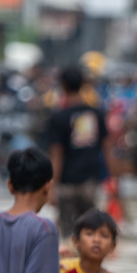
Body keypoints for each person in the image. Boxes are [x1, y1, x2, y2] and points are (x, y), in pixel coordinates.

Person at [47, 65, 109, 239]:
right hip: (91, 181)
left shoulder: (58, 117)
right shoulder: (96, 114)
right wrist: (112, 179)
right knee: (91, 231)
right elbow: (107, 148)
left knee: (68, 233)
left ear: (63, 86)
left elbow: (56, 154)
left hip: (67, 183)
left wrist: (52, 186)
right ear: (83, 85)